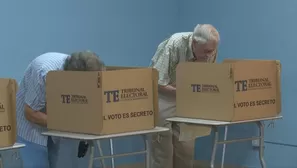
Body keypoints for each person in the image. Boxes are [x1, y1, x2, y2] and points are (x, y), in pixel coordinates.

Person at [16, 51, 105, 168]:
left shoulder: (83, 69)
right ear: (72, 77)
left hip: (57, 127)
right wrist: (65, 124)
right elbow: (30, 113)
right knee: (37, 164)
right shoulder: (43, 71)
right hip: (30, 127)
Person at [149, 24, 220, 168]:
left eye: (212, 51)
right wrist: (183, 92)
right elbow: (157, 82)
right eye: (206, 51)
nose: (209, 55)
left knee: (186, 151)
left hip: (187, 97)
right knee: (164, 152)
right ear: (194, 43)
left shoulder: (210, 49)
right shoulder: (175, 43)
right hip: (163, 95)